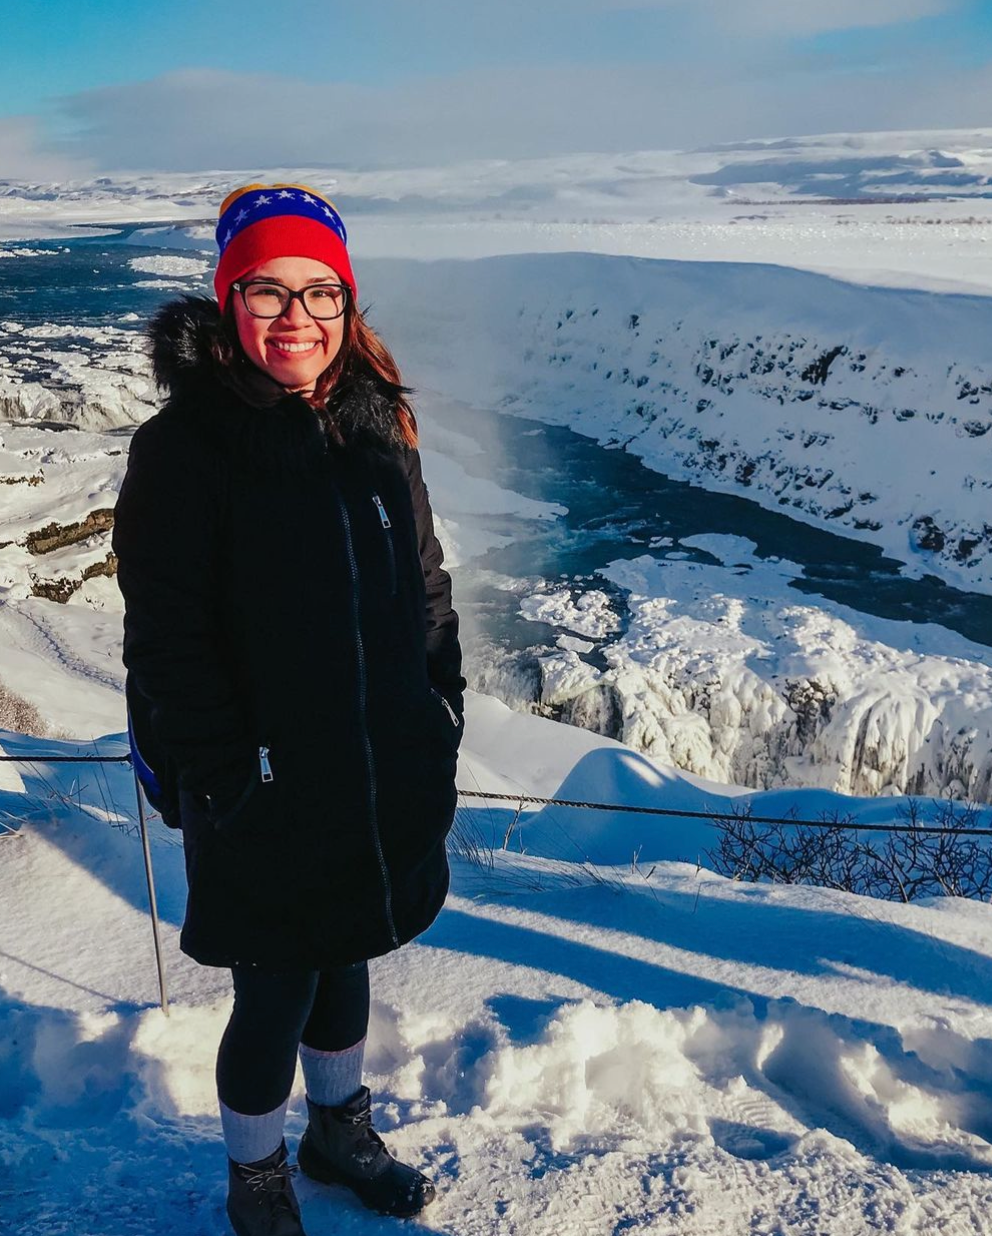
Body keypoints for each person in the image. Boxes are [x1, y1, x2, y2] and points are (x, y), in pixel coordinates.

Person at [112, 183, 465, 1236]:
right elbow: (166, 637)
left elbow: (425, 583)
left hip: (373, 767)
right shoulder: (185, 451)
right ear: (226, 301)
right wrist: (226, 771)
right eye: (266, 290)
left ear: (348, 306)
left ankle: (336, 1128)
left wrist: (435, 710)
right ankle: (255, 1172)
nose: (295, 317)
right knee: (271, 992)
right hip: (259, 783)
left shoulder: (375, 430)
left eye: (320, 292)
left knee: (347, 953)